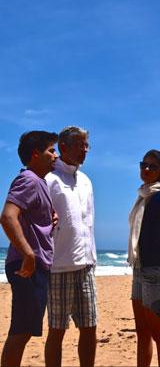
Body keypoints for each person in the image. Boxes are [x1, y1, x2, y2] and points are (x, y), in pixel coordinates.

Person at [0, 131, 59, 367]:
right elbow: (7, 216)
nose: (56, 156)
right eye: (51, 151)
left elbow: (26, 216)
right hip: (27, 266)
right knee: (21, 332)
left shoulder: (39, 182)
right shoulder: (29, 180)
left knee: (23, 331)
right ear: (36, 154)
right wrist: (28, 253)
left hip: (34, 265)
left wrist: (50, 217)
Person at [44, 127, 97, 367]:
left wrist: (93, 259)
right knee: (57, 330)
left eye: (86, 145)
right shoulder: (49, 178)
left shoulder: (86, 180)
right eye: (80, 145)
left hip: (86, 265)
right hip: (58, 266)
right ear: (63, 147)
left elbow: (88, 222)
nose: (84, 150)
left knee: (90, 326)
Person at [128, 150, 160, 367]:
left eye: (152, 167)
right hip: (140, 268)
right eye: (143, 164)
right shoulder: (144, 196)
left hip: (155, 271)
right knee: (142, 332)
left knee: (159, 333)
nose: (146, 169)